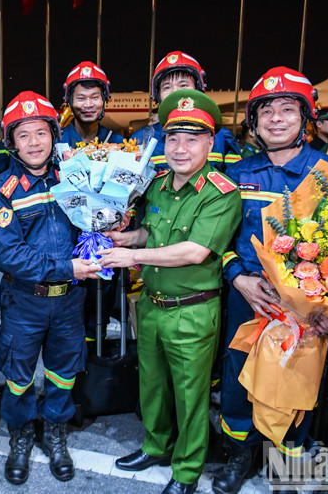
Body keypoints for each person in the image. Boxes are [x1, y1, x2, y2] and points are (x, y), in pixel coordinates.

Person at [101, 90, 242, 494]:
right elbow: (152, 231)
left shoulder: (221, 193)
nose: (180, 149)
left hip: (192, 311)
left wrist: (134, 257)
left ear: (210, 143)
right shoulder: (159, 185)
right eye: (173, 139)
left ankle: (186, 471)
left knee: (190, 396)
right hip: (152, 305)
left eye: (192, 139)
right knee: (153, 385)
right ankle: (156, 445)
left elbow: (194, 251)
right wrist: (127, 238)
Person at [214, 67, 328, 494]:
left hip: (304, 305)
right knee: (237, 376)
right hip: (247, 298)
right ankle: (240, 453)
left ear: (305, 118)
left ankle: (287, 458)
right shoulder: (237, 172)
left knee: (297, 379)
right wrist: (237, 278)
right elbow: (220, 237)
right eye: (265, 111)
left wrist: (319, 300)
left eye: (287, 109)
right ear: (253, 122)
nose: (275, 118)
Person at [0, 91, 101, 485]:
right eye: (24, 135)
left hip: (70, 301)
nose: (34, 143)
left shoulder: (75, 178)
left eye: (41, 133)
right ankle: (19, 435)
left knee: (64, 373)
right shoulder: (0, 191)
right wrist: (68, 266)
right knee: (17, 376)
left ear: (54, 135)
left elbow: (97, 221)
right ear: (11, 142)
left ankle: (55, 432)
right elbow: (12, 256)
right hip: (24, 302)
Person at [132, 52, 241, 172]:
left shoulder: (222, 138)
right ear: (158, 96)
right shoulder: (140, 140)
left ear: (197, 90)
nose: (175, 92)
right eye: (167, 87)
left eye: (183, 85)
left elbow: (234, 181)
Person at [58, 61, 124, 151]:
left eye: (95, 97)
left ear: (104, 99)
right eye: (81, 98)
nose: (88, 105)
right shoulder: (57, 142)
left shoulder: (118, 143)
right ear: (69, 101)